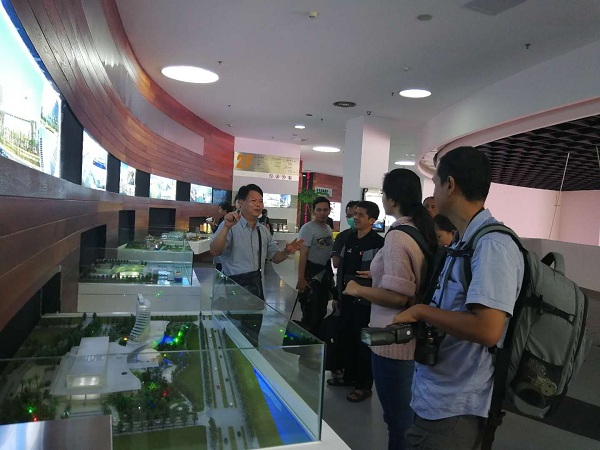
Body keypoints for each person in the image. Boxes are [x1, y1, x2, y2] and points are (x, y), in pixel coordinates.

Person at [393, 146, 524, 450]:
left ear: (450, 185)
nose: (433, 193)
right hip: (437, 394)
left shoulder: (492, 246)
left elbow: (488, 330)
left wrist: (422, 312)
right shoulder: (466, 240)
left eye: (435, 184)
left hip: (454, 407)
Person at [343, 169, 436, 450]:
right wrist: (378, 275)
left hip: (393, 342)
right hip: (412, 339)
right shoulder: (420, 230)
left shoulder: (397, 237)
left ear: (392, 200)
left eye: (384, 194)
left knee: (398, 421)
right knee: (405, 417)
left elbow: (397, 297)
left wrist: (358, 289)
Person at [210, 184, 303, 346]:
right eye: (253, 201)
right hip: (233, 291)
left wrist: (287, 251)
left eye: (260, 201)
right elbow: (215, 250)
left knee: (252, 340)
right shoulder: (230, 226)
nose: (258, 205)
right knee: (232, 340)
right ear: (240, 203)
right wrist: (226, 227)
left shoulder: (263, 231)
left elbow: (275, 258)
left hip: (255, 293)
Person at [330, 201, 384, 403]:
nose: (356, 217)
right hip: (346, 298)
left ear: (372, 220)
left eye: (361, 215)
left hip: (365, 302)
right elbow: (340, 269)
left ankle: (363, 386)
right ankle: (349, 377)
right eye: (355, 214)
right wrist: (337, 296)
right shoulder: (348, 239)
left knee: (363, 344)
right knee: (347, 339)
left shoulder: (379, 243)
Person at [297, 196, 334, 335]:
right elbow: (303, 254)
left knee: (321, 311)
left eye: (325, 210)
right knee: (310, 314)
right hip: (311, 275)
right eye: (319, 210)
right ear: (313, 211)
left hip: (324, 275)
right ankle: (308, 343)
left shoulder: (328, 228)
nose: (322, 213)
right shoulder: (307, 228)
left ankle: (318, 340)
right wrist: (301, 278)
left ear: (329, 210)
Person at [331, 200, 360, 270]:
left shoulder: (375, 239)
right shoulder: (342, 237)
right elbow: (336, 263)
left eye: (355, 214)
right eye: (349, 216)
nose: (353, 218)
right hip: (345, 276)